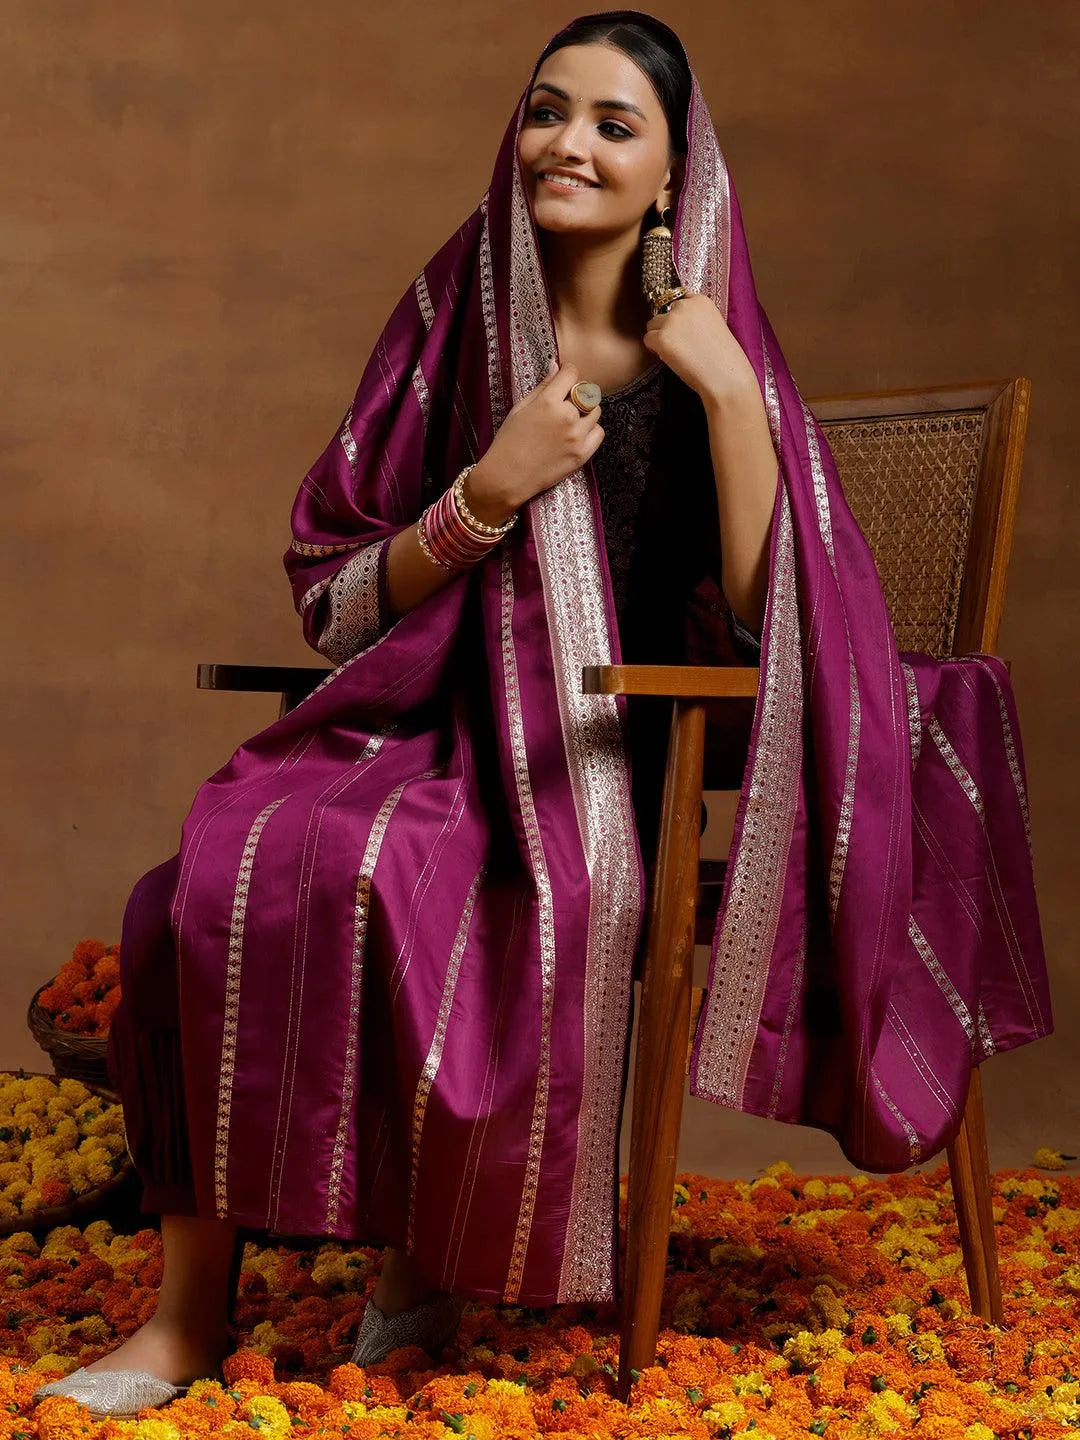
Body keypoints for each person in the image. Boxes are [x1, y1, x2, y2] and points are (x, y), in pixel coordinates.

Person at [37, 8, 1051, 1420]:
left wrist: (732, 401)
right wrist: (490, 489)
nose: (567, 143)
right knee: (188, 894)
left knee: (401, 878)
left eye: (613, 124)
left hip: (601, 758)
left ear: (678, 171)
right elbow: (335, 591)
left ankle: (426, 1261)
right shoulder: (455, 307)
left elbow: (768, 619)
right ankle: (186, 1320)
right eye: (546, 110)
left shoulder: (716, 347)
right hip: (424, 720)